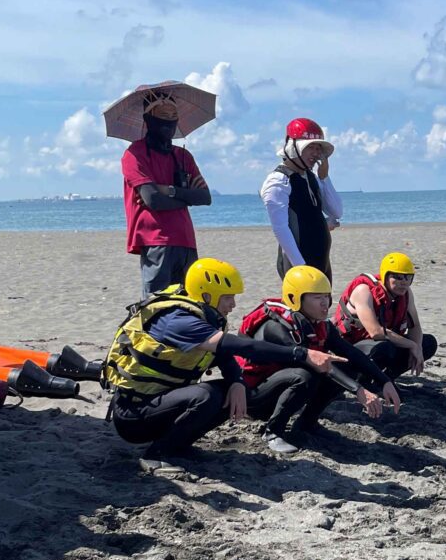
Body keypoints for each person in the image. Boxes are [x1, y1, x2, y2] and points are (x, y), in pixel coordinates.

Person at [103, 258, 342, 462]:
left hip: (159, 403)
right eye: (228, 297)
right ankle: (157, 455)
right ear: (207, 295)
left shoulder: (204, 314)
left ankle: (178, 446)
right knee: (205, 396)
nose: (233, 304)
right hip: (134, 416)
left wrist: (236, 381)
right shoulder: (179, 321)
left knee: (230, 392)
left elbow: (223, 356)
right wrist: (302, 353)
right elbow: (241, 346)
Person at [238, 266, 401, 456]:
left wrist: (384, 381)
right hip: (254, 398)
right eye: (317, 298)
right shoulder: (276, 327)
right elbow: (316, 364)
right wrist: (359, 390)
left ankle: (306, 424)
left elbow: (351, 354)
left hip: (283, 390)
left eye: (327, 296)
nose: (325, 303)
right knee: (305, 375)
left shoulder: (319, 324)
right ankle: (273, 432)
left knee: (346, 365)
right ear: (294, 298)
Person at [120, 89, 211, 297]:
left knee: (189, 301)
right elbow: (153, 200)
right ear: (148, 120)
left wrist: (169, 190)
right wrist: (186, 197)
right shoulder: (135, 154)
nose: (169, 122)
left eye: (173, 116)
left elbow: (205, 197)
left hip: (185, 238)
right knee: (157, 303)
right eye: (162, 115)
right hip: (155, 239)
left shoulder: (183, 156)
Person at [332, 251, 438, 380]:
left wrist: (418, 348)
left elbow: (414, 326)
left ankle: (386, 379)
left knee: (428, 343)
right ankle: (366, 380)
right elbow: (376, 332)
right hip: (350, 347)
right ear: (385, 276)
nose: (404, 282)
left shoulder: (406, 293)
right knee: (385, 348)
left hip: (378, 343)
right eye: (398, 277)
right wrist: (412, 345)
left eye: (408, 277)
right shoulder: (363, 291)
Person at [261, 118, 341, 280]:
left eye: (318, 148)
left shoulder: (311, 177)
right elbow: (281, 229)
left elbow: (337, 211)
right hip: (298, 264)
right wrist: (301, 268)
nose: (316, 153)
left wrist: (324, 178)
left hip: (322, 261)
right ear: (293, 147)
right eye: (310, 147)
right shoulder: (279, 181)